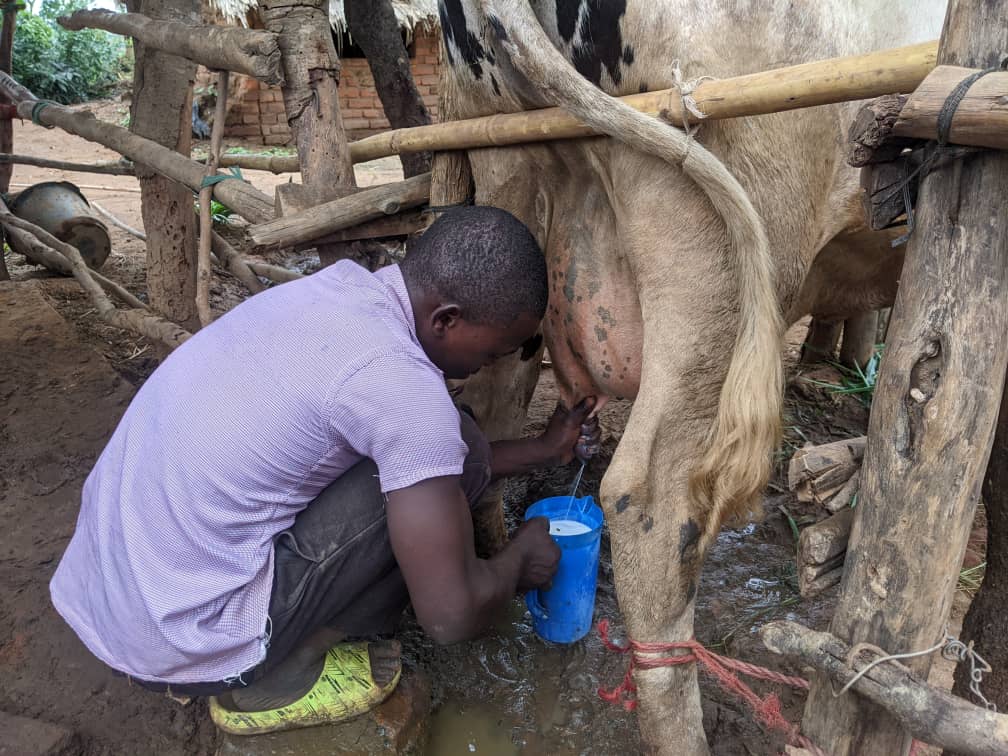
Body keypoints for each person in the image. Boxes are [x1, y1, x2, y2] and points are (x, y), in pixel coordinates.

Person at [50, 206, 599, 735]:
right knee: (435, 466)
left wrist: (546, 452)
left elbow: (453, 454)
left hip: (117, 587)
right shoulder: (401, 387)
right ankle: (274, 674)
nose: (499, 360)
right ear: (447, 319)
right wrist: (518, 562)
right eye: (498, 348)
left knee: (454, 447)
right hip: (186, 637)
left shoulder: (340, 294)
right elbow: (450, 617)